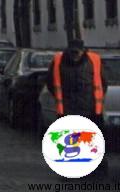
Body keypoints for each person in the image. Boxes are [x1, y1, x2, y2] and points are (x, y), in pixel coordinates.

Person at [46, 39, 108, 173]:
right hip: (68, 109)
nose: (75, 56)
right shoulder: (58, 60)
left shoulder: (94, 59)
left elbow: (103, 82)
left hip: (91, 109)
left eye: (77, 52)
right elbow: (50, 83)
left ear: (83, 51)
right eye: (73, 52)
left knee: (93, 141)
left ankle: (96, 167)